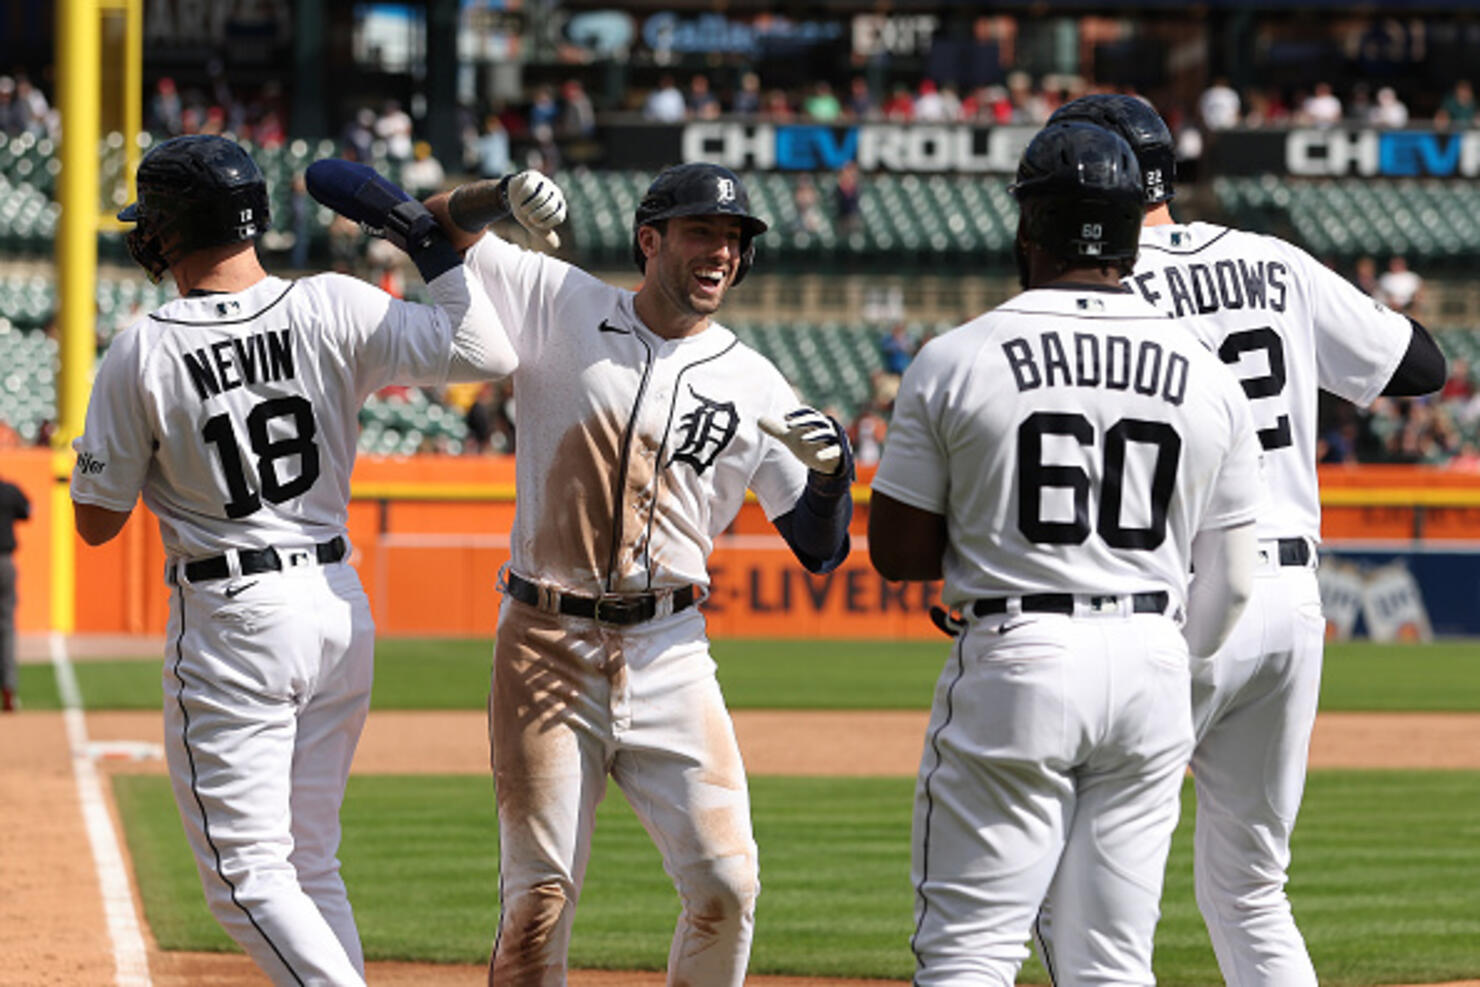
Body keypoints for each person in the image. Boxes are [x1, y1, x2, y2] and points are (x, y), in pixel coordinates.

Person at [68, 135, 555, 986]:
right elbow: (488, 355)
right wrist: (432, 247)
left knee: (245, 877)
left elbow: (97, 522)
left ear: (174, 228)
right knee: (306, 859)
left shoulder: (144, 346)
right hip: (335, 602)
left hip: (234, 615)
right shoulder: (330, 302)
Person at [410, 162, 853, 984]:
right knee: (539, 899)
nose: (721, 251)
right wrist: (496, 194)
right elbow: (423, 222)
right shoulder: (560, 298)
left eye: (733, 239)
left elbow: (820, 549)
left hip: (670, 651)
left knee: (727, 883)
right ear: (650, 241)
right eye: (700, 232)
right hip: (545, 641)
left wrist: (832, 481)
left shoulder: (755, 380)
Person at [1048, 92, 1447, 986]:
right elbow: (1424, 365)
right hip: (1292, 600)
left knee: (1087, 887)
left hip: (1178, 592)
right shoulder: (1272, 259)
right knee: (1252, 890)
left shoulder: (1096, 282)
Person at [869, 120, 1261, 984]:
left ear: (1028, 227)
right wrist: (1162, 662)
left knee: (970, 951)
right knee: (1111, 961)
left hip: (1020, 652)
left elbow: (899, 553)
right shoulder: (1206, 368)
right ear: (1132, 230)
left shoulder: (955, 355)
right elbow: (1233, 580)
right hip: (1156, 661)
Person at [0, 473, 30, 712]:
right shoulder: (9, 490)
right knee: (6, 627)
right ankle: (8, 688)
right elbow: (30, 511)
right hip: (4, 562)